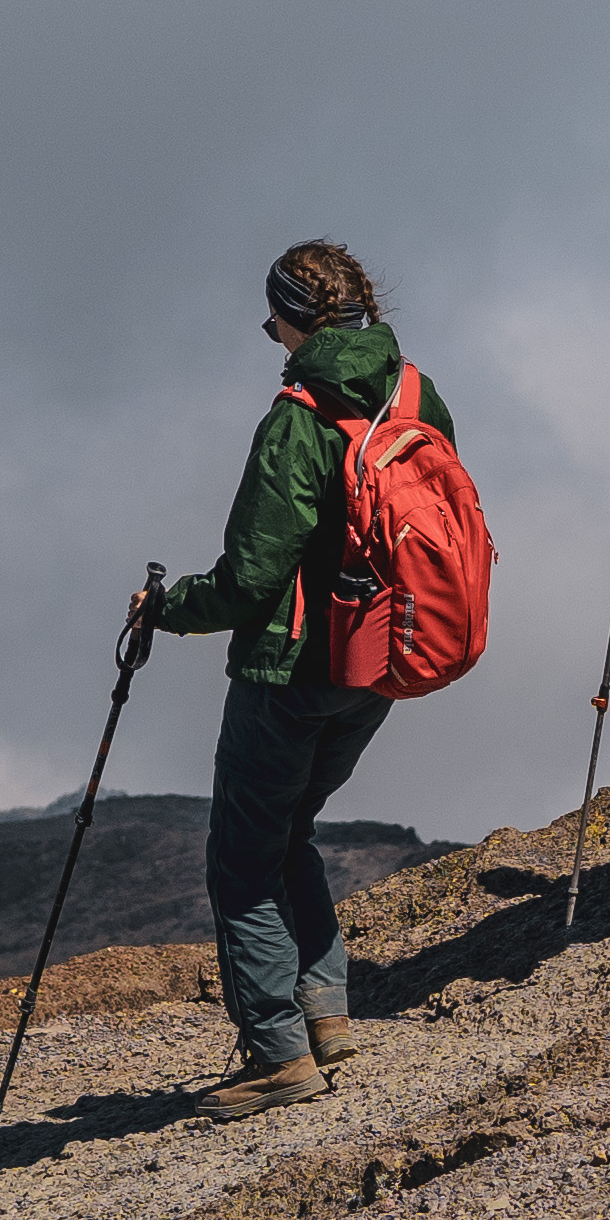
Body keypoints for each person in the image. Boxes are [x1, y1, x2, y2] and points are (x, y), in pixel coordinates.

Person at [145, 239, 442, 1114]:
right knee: (291, 828)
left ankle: (278, 1054)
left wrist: (162, 607)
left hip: (293, 670)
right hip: (383, 661)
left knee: (241, 860)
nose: (268, 333)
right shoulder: (417, 395)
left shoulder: (297, 418)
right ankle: (326, 1014)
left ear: (295, 319)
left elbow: (250, 579)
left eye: (271, 317)